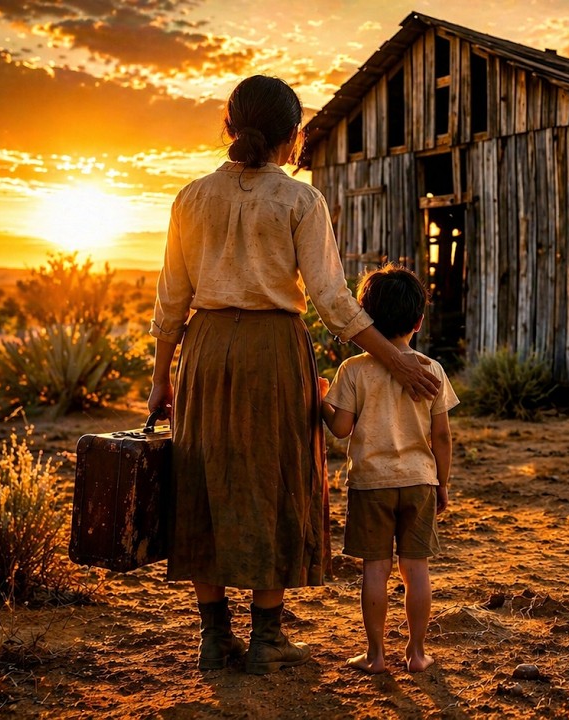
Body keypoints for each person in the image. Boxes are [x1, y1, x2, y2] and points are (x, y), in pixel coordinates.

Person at [147, 75, 440, 675]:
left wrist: (161, 379)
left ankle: (212, 636)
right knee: (273, 478)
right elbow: (333, 302)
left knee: (206, 477)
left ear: (229, 127)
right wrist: (398, 360)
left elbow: (170, 302)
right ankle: (267, 636)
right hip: (273, 351)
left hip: (202, 352)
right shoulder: (299, 200)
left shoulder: (191, 198)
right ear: (294, 135)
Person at [320, 264, 457, 674]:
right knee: (417, 570)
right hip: (419, 482)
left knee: (374, 570)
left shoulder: (354, 371)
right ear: (418, 321)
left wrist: (321, 400)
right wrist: (442, 484)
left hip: (370, 485)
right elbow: (443, 438)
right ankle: (416, 653)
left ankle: (376, 655)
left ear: (366, 318)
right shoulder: (431, 369)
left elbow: (341, 429)